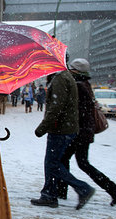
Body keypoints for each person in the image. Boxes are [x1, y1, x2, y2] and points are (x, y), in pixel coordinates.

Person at [56, 58, 116, 206]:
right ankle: (111, 188)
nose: (69, 71)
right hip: (84, 131)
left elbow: (79, 111)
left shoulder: (78, 86)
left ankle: (109, 188)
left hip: (80, 132)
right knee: (74, 161)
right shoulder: (84, 83)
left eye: (71, 69)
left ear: (76, 71)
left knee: (72, 162)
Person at [30, 69, 95, 210]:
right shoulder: (64, 76)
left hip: (60, 130)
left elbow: (56, 107)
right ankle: (49, 195)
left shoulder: (60, 78)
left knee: (52, 164)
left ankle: (83, 188)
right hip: (64, 128)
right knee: (52, 163)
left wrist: (42, 128)